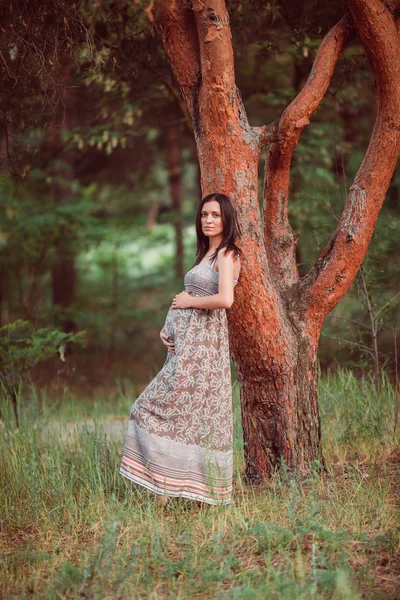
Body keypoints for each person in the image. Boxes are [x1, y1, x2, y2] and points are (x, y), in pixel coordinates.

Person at [119, 192, 242, 505]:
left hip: (204, 351)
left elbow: (226, 300)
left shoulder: (227, 254)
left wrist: (188, 302)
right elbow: (189, 296)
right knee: (165, 409)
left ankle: (182, 490)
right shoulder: (205, 254)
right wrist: (168, 326)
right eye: (204, 215)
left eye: (215, 214)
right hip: (185, 348)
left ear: (226, 218)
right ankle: (166, 488)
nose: (208, 220)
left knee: (173, 410)